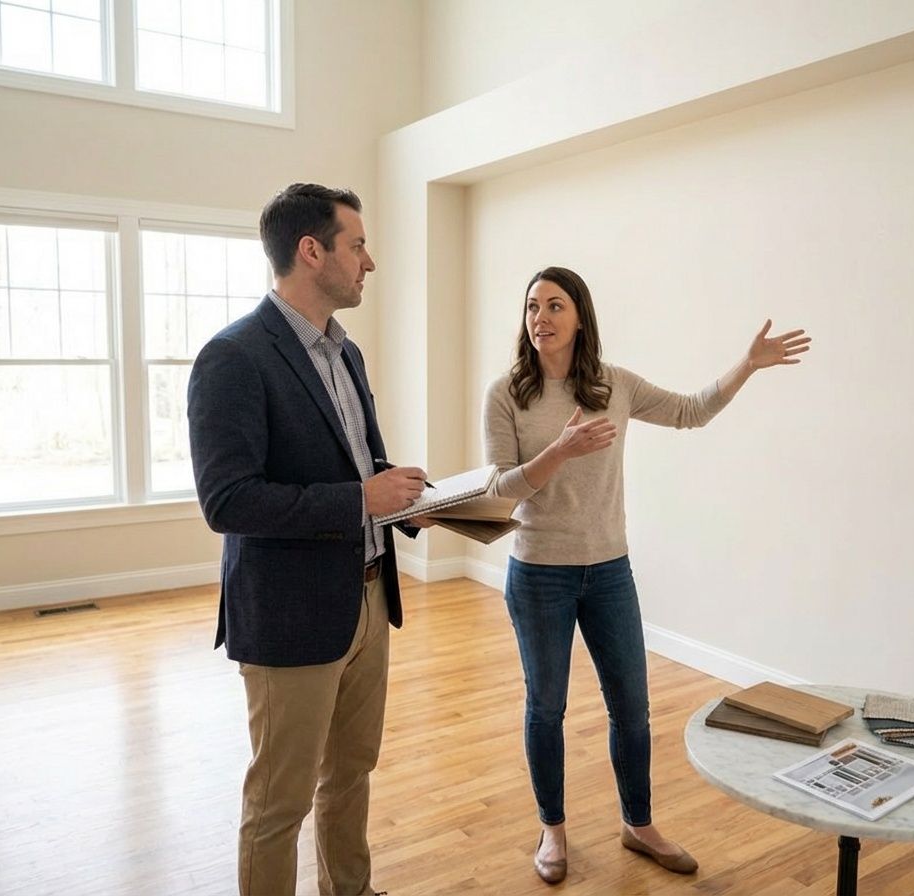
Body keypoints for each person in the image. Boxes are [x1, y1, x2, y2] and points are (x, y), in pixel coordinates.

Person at [482, 266, 811, 883]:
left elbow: (691, 411)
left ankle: (639, 824)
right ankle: (552, 831)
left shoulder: (614, 385)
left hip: (608, 570)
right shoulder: (507, 394)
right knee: (545, 708)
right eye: (532, 306)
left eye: (555, 306)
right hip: (539, 574)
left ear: (580, 317)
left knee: (632, 707)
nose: (540, 318)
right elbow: (499, 490)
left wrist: (746, 365)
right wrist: (559, 452)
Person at [188, 183, 433, 896]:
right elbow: (228, 500)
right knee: (279, 803)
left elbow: (356, 467)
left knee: (351, 775)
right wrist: (361, 499)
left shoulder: (345, 352)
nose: (370, 261)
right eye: (357, 245)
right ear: (311, 250)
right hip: (290, 616)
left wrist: (404, 501)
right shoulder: (233, 357)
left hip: (366, 599)